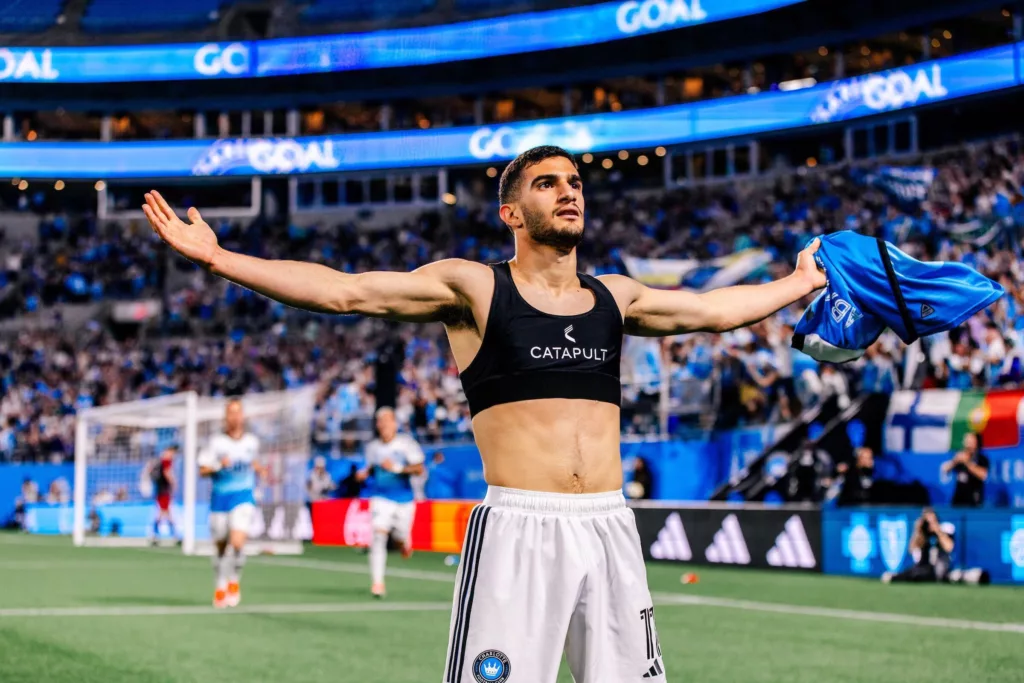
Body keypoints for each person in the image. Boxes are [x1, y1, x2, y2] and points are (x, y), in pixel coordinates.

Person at [142, 145, 826, 681]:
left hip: (611, 526)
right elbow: (347, 293)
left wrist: (797, 282)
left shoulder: (616, 296)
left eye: (575, 183)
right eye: (547, 184)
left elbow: (713, 312)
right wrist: (219, 256)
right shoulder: (474, 287)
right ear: (511, 213)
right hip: (520, 528)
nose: (568, 192)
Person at [197, 398, 264, 609]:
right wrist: (218, 465)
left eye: (238, 412)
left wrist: (260, 469)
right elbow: (203, 470)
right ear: (225, 417)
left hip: (243, 496)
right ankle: (220, 585)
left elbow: (252, 461)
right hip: (220, 499)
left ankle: (233, 582)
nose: (235, 417)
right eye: (231, 413)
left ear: (242, 416)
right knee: (220, 547)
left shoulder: (252, 442)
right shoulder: (216, 442)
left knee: (237, 542)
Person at [355, 406, 426, 598]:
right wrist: (363, 474)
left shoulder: (406, 444)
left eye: (388, 420)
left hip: (404, 499)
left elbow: (419, 469)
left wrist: (396, 467)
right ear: (377, 425)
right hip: (381, 498)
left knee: (400, 535)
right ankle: (378, 583)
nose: (384, 425)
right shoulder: (373, 448)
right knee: (378, 536)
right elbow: (370, 468)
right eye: (381, 421)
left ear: (394, 423)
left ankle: (404, 542)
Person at [882, 508, 955, 583]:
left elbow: (949, 547)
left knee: (919, 574)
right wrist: (917, 530)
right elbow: (911, 549)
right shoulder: (923, 533)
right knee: (913, 572)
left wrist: (937, 530)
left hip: (938, 568)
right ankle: (894, 577)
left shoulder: (944, 529)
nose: (929, 523)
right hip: (923, 566)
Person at [941, 432, 990, 507]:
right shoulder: (959, 457)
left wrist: (967, 463)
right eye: (966, 442)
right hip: (958, 500)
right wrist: (955, 461)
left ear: (976, 443)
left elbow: (983, 475)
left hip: (974, 500)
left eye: (971, 442)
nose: (968, 445)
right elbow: (945, 469)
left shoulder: (981, 459)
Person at [147, 445, 178, 542]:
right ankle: (156, 534)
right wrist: (173, 482)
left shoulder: (160, 461)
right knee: (164, 511)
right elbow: (166, 472)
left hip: (160, 489)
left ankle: (172, 534)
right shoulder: (166, 461)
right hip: (163, 489)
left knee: (165, 511)